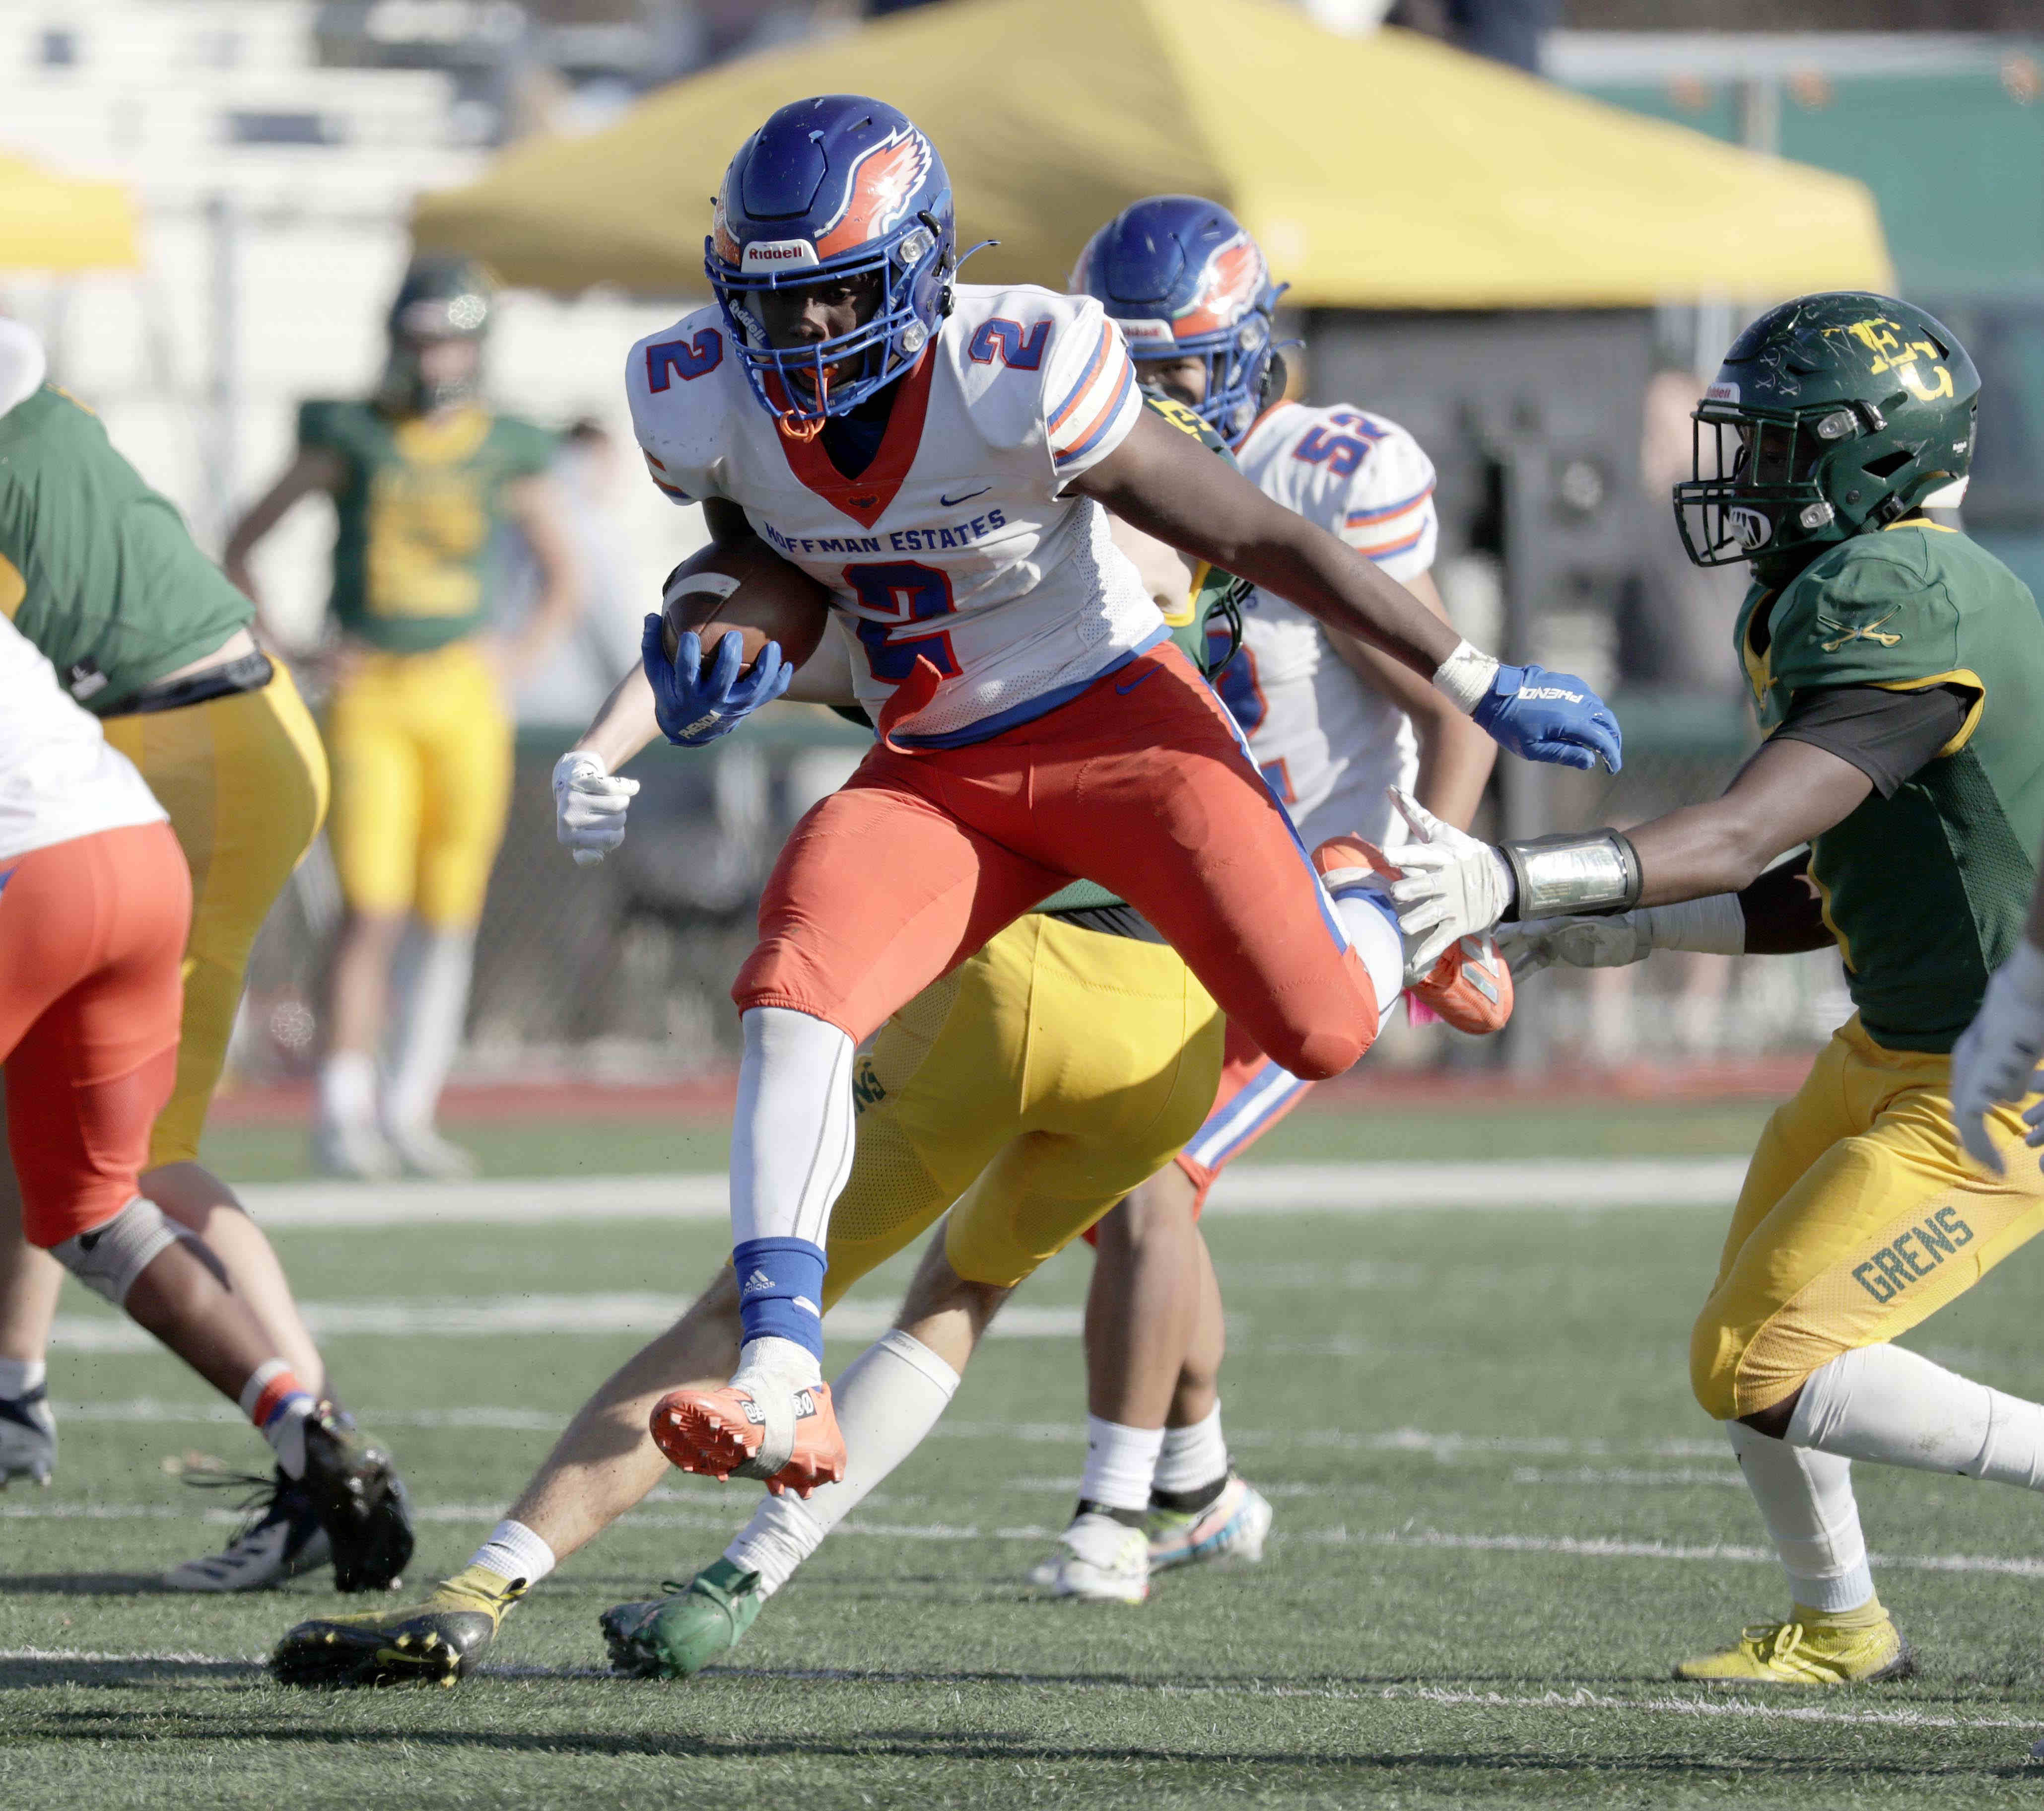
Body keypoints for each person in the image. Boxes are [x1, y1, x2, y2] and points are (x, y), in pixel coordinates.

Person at [265, 398, 1514, 1683]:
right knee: (967, 1292)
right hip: (1166, 1045)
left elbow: (773, 637)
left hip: (1011, 987)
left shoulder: (1025, 587)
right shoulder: (1212, 610)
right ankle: (760, 1572)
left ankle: (490, 1585)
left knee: (750, 1286)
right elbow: (1394, 710)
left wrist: (612, 736)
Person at [579, 95, 1618, 1493]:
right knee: (795, 980)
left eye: (835, 298)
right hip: (937, 754)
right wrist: (716, 625)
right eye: (776, 306)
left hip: (1111, 723)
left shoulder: (1018, 362)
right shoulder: (696, 385)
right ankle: (778, 1366)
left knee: (1314, 1025)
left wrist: (1470, 672)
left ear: (917, 269)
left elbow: (1247, 527)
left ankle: (1394, 913)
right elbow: (752, 553)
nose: (807, 337)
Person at [1390, 292, 2044, 1684]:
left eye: (1773, 445)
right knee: (1749, 1323)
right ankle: (1839, 1622)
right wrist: (1619, 936)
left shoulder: (1901, 593)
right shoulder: (1837, 590)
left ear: (1868, 459)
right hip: (1901, 1041)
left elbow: (1747, 829)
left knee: (1761, 1358)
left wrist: (1517, 879)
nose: (1736, 473)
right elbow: (1835, 888)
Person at [1017, 196, 1499, 1601]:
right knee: (1123, 1197)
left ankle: (1109, 1520)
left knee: (1145, 1177)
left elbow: (1455, 715)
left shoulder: (1324, 474)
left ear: (1248, 357)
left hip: (1321, 896)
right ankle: (1199, 1481)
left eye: (1183, 371)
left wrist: (1434, 892)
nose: (1158, 401)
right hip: (1173, 898)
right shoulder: (1077, 467)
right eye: (1134, 368)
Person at [0, 319, 412, 1592]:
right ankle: (17, 1390)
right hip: (178, 738)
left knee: (142, 1162)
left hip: (182, 741)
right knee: (69, 1138)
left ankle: (315, 1469)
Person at [223, 255, 580, 1181]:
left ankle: (408, 1107)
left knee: (449, 912)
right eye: (422, 341)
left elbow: (562, 571)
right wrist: (297, 647)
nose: (434, 362)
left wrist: (517, 653)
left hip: (462, 692)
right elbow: (242, 541)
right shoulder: (350, 433)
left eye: (450, 341)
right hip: (373, 685)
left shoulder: (509, 444)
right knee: (372, 909)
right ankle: (341, 1111)